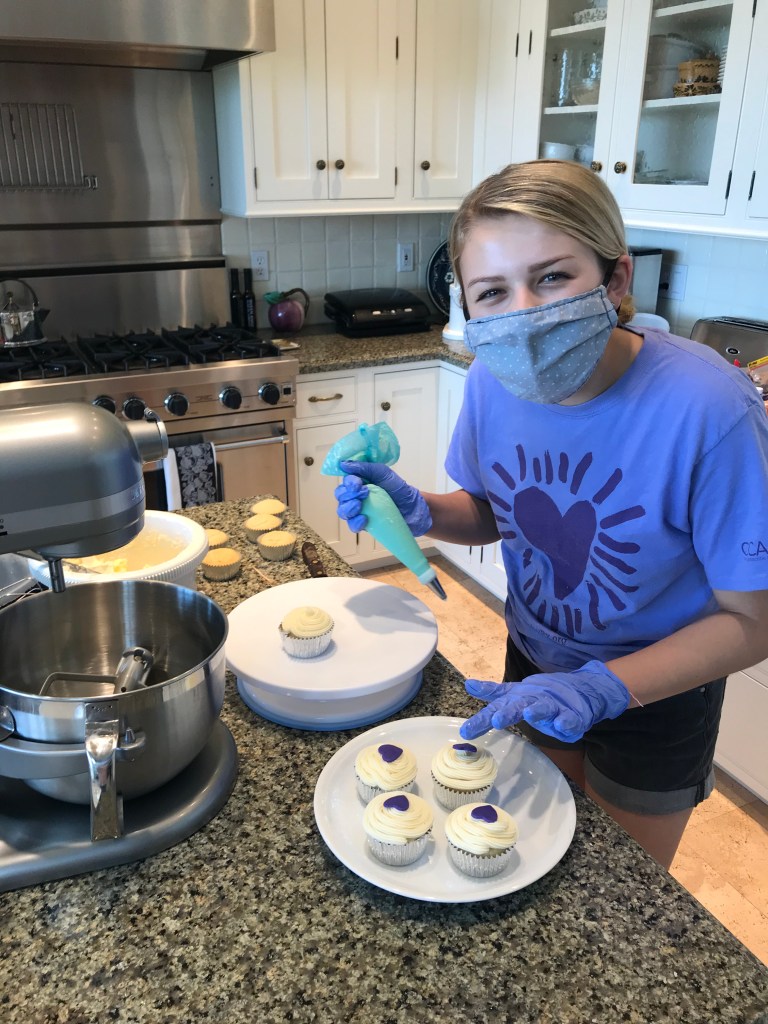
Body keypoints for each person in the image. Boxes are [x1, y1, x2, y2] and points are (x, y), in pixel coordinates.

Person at [335, 159, 768, 868]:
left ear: (615, 279)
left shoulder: (710, 410)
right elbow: (495, 513)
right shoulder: (491, 382)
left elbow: (754, 620)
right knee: (535, 857)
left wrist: (608, 686)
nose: (523, 313)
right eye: (491, 292)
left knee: (622, 889)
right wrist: (420, 510)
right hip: (536, 665)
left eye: (553, 277)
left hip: (659, 696)